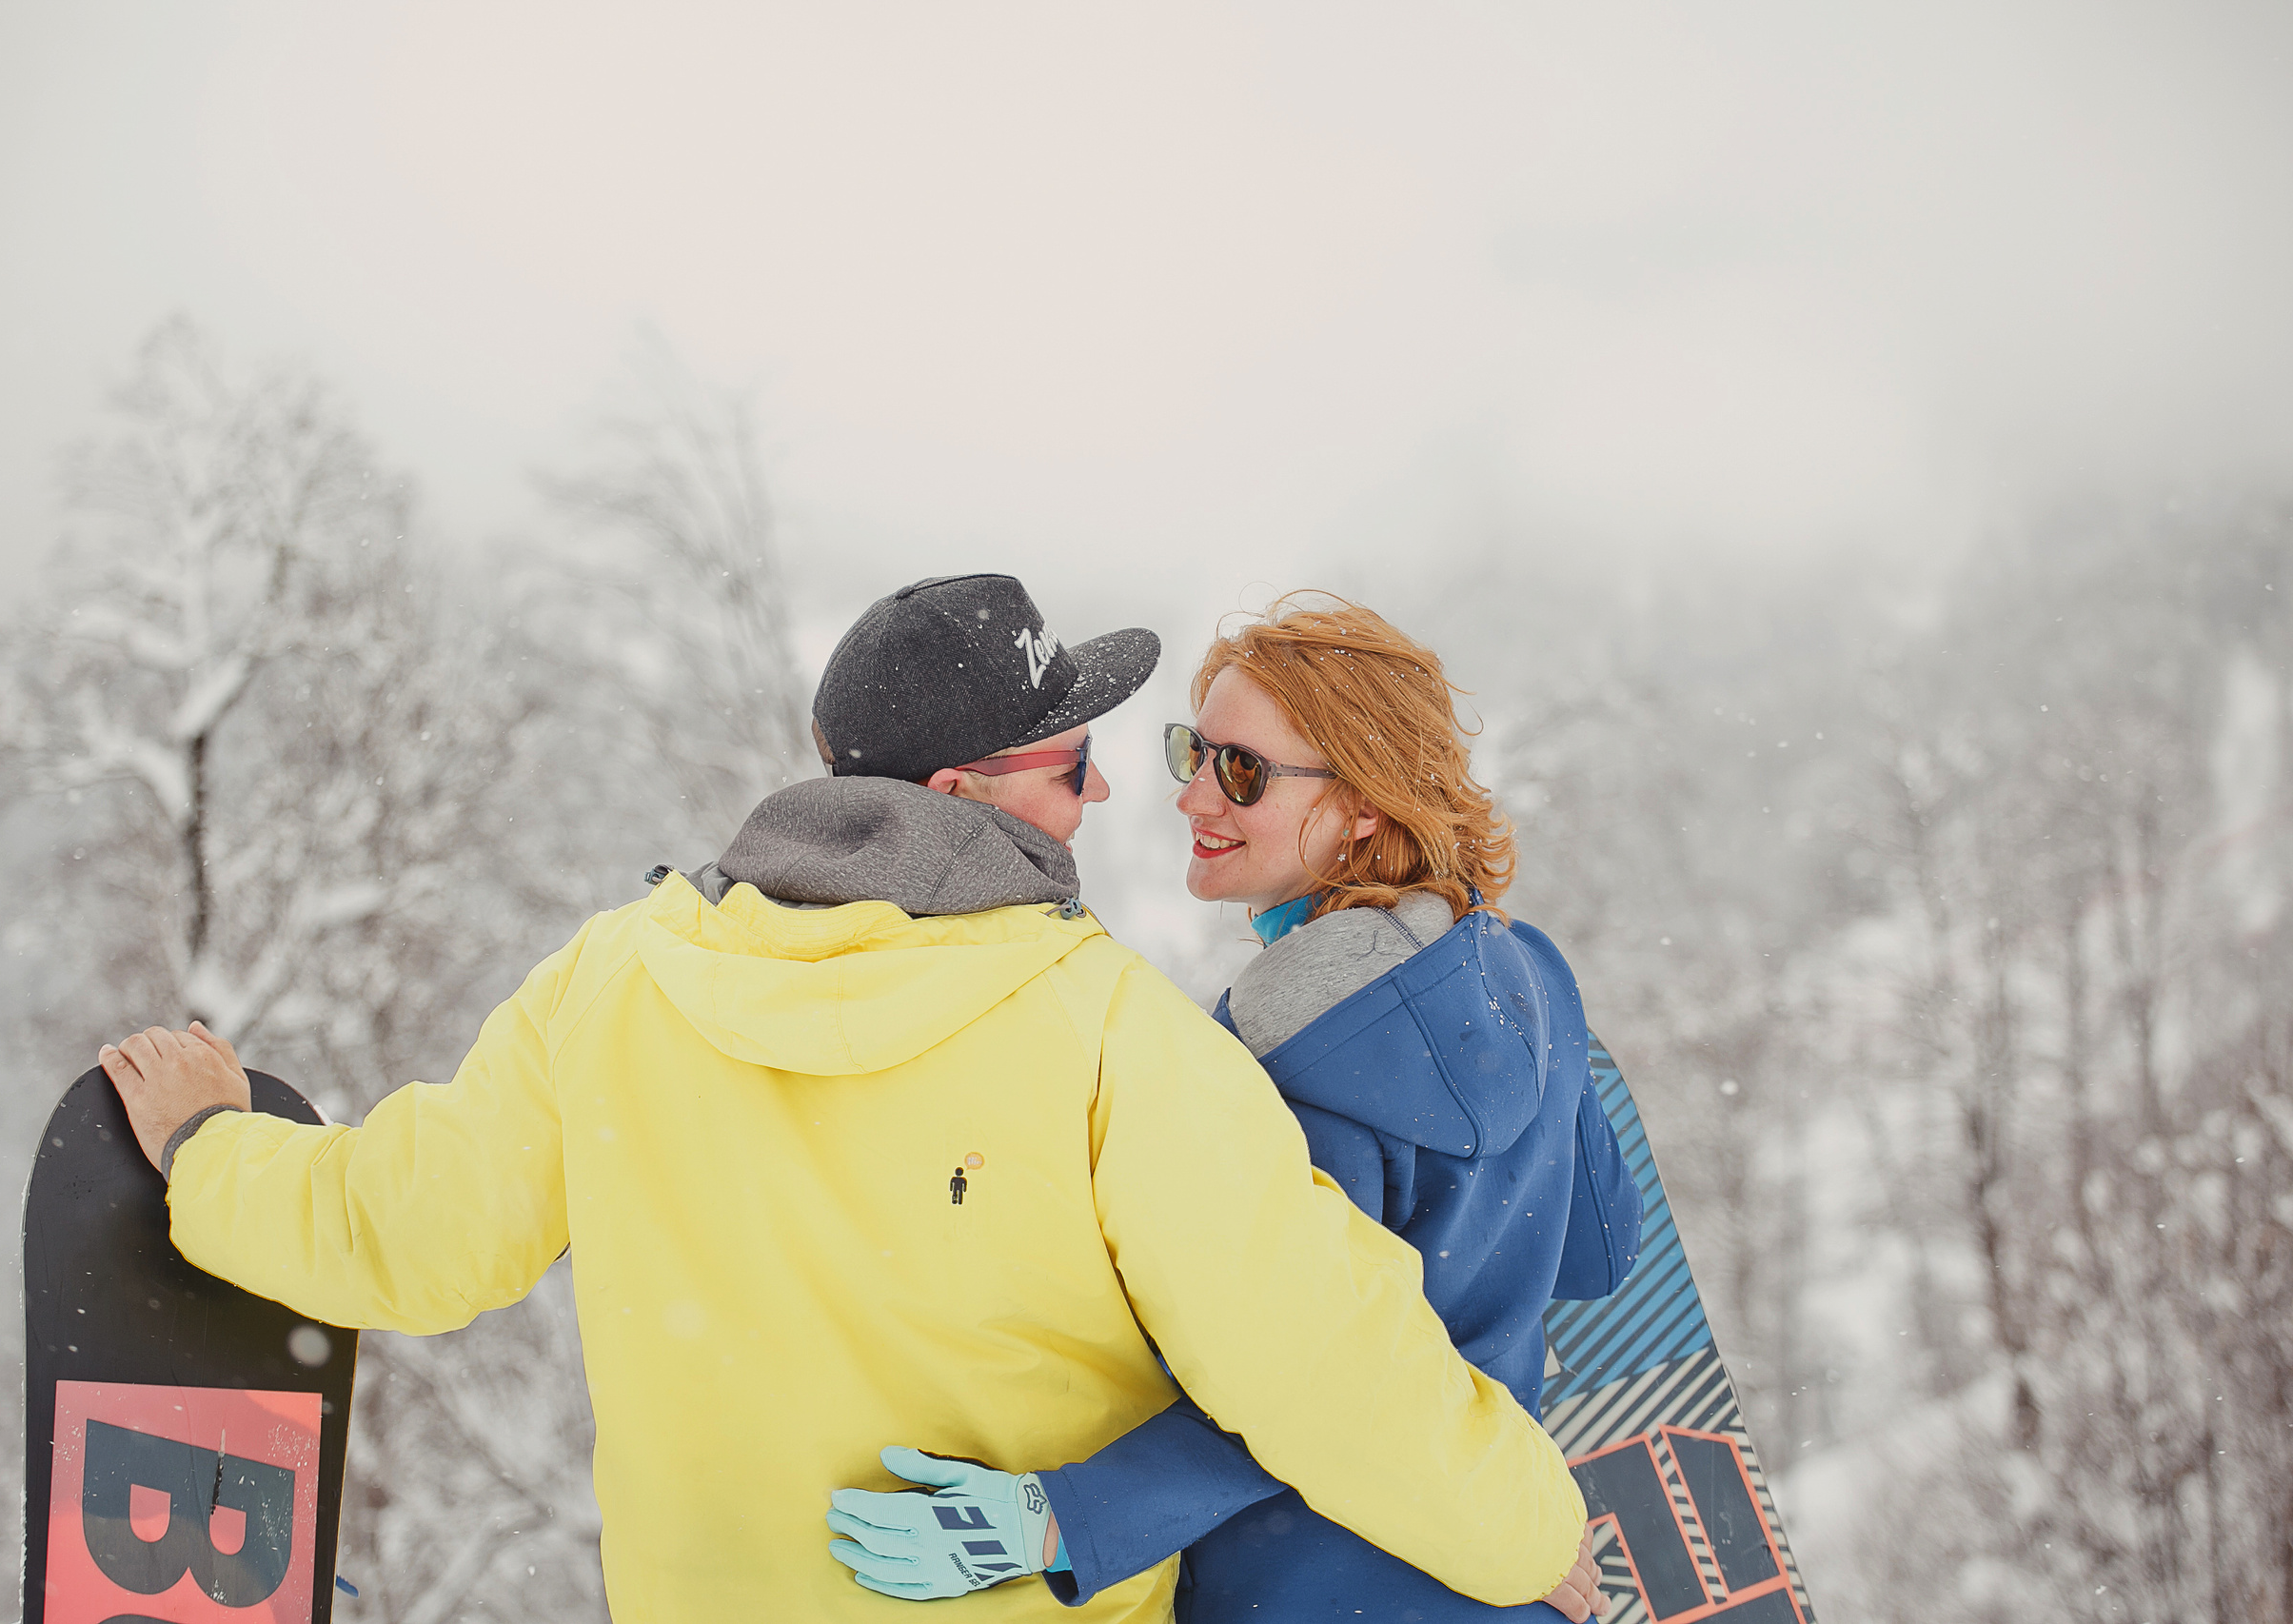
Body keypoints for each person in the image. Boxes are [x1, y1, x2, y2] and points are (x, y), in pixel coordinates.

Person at [97, 573, 1607, 1623]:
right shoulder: (1109, 1035)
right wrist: (1531, 1530)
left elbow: (410, 1235)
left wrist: (210, 1154)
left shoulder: (615, 981)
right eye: (1075, 761)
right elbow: (1318, 1364)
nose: (1102, 798)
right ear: (961, 797)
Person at [828, 595, 1642, 1620]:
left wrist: (1060, 1518)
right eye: (1194, 752)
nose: (1192, 796)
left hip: (1313, 1580)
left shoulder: (1271, 1073)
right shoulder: (1529, 974)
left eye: (1242, 771)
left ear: (1366, 804)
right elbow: (1600, 1250)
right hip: (1491, 1570)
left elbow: (1291, 1387)